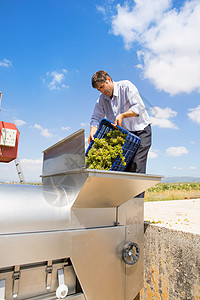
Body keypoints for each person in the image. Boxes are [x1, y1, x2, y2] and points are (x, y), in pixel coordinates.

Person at [88, 70, 151, 180]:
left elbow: (140, 107)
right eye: (99, 89)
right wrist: (93, 130)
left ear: (108, 80)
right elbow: (95, 118)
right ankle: (125, 197)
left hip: (141, 131)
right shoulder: (102, 99)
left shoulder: (126, 86)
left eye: (102, 87)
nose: (102, 91)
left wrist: (122, 115)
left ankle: (137, 198)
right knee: (123, 170)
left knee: (136, 168)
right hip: (125, 136)